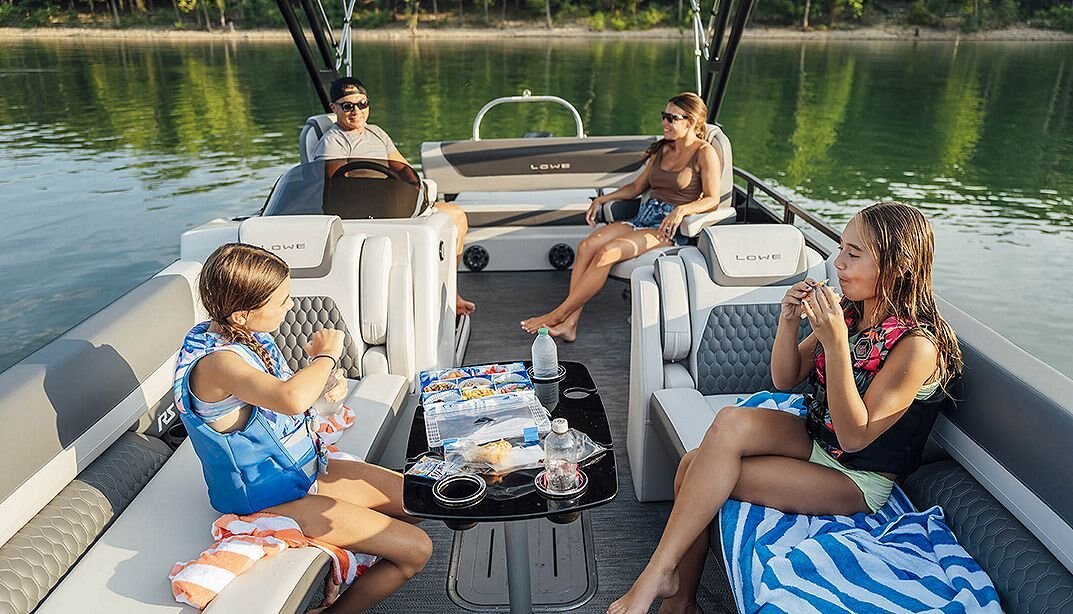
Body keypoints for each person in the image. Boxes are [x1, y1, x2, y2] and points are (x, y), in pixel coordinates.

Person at [608, 201, 964, 614]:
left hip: (857, 476)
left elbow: (855, 436)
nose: (838, 262)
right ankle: (674, 592)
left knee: (694, 470)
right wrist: (789, 320)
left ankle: (666, 585)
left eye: (853, 254)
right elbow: (784, 377)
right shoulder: (854, 315)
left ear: (898, 267)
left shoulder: (917, 347)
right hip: (818, 438)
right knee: (727, 423)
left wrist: (835, 345)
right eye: (841, 248)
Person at [173, 243, 432, 613]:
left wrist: (325, 383)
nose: (290, 305)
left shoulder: (244, 336)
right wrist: (326, 356)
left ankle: (346, 550)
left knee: (421, 500)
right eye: (282, 301)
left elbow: (278, 397)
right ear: (243, 314)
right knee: (417, 549)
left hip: (302, 470)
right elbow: (290, 398)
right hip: (267, 497)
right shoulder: (216, 364)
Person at [520, 92, 722, 342]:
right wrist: (602, 199)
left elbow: (712, 199)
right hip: (643, 218)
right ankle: (570, 324)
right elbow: (637, 187)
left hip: (667, 228)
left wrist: (682, 210)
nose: (664, 122)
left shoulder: (704, 153)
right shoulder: (662, 149)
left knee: (607, 252)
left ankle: (558, 315)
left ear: (690, 121)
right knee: (586, 246)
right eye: (664, 116)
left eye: (672, 118)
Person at [313, 76, 475, 316]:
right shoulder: (332, 141)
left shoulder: (377, 133)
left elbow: (403, 169)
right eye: (347, 106)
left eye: (362, 104)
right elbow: (338, 187)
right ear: (334, 108)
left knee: (456, 215)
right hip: (363, 212)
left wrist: (419, 192)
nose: (356, 111)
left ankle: (450, 291)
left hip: (392, 203)